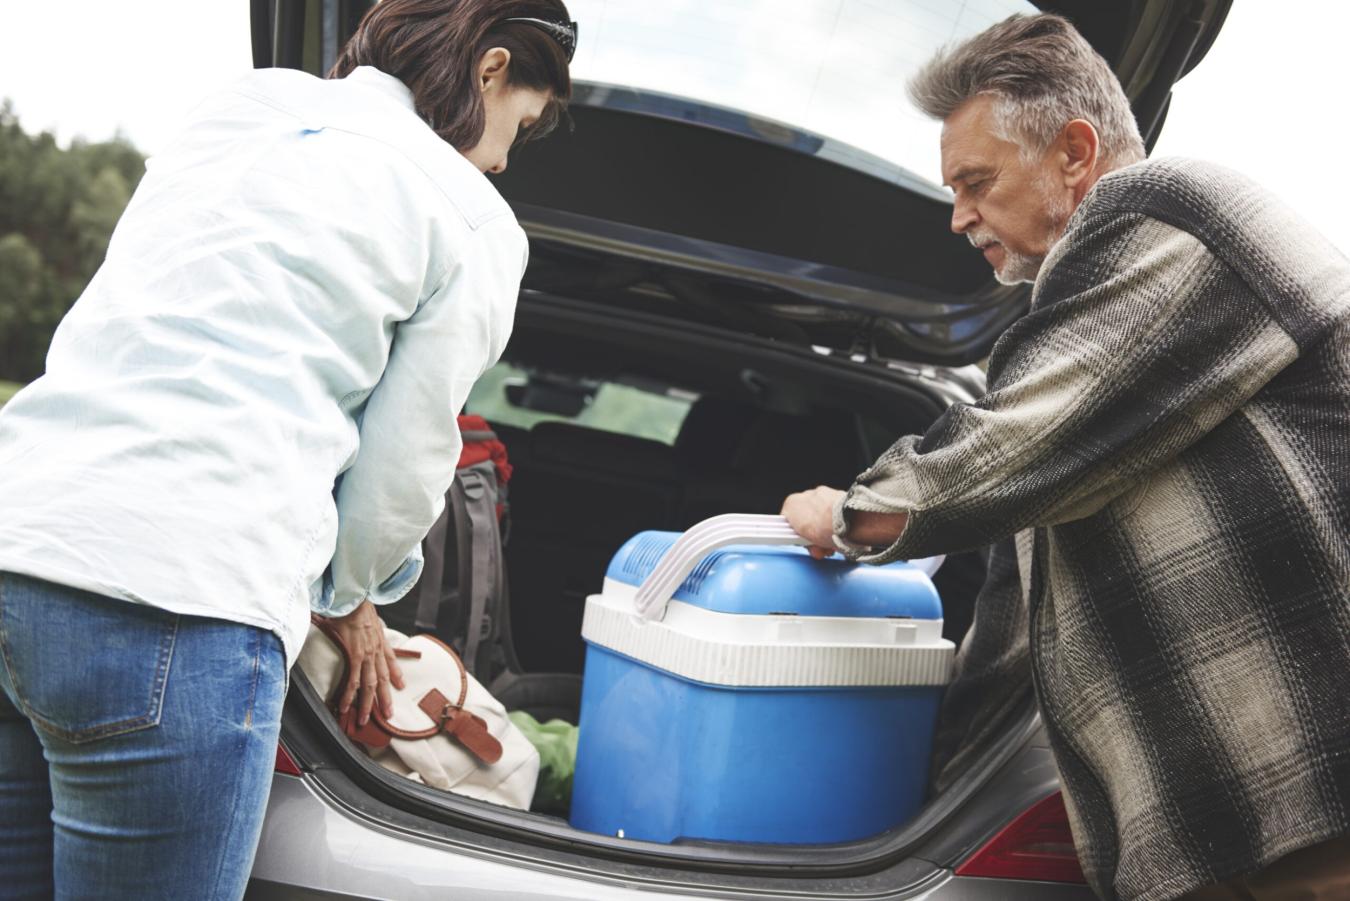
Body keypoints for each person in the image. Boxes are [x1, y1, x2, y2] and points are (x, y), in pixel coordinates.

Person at [0, 1, 574, 897]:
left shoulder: (243, 110)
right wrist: (349, 595)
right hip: (178, 596)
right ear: (491, 70)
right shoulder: (472, 218)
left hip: (19, 535)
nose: (503, 158)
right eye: (521, 127)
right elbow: (404, 465)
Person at [782, 14, 1350, 901]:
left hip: (1315, 793)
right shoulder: (1082, 359)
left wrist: (846, 513)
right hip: (1232, 823)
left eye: (976, 181)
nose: (958, 214)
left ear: (1076, 155)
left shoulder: (1169, 213)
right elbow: (1014, 611)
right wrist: (937, 766)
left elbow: (998, 455)